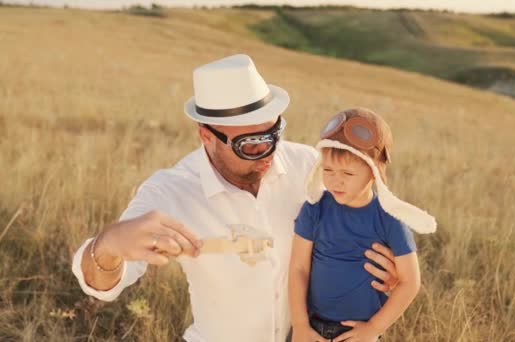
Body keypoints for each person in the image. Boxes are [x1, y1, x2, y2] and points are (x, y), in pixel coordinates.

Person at [71, 54, 401, 342]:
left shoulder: (309, 168)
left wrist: (384, 266)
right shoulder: (170, 192)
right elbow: (101, 285)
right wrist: (110, 245)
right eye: (253, 144)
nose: (270, 151)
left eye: (275, 133)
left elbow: (364, 213)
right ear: (207, 136)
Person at [289, 108, 437, 342]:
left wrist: (374, 328)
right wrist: (299, 325)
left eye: (348, 173)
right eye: (328, 170)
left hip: (360, 334)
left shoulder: (390, 219)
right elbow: (298, 268)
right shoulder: (315, 208)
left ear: (373, 172)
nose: (335, 180)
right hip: (312, 329)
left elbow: (410, 281)